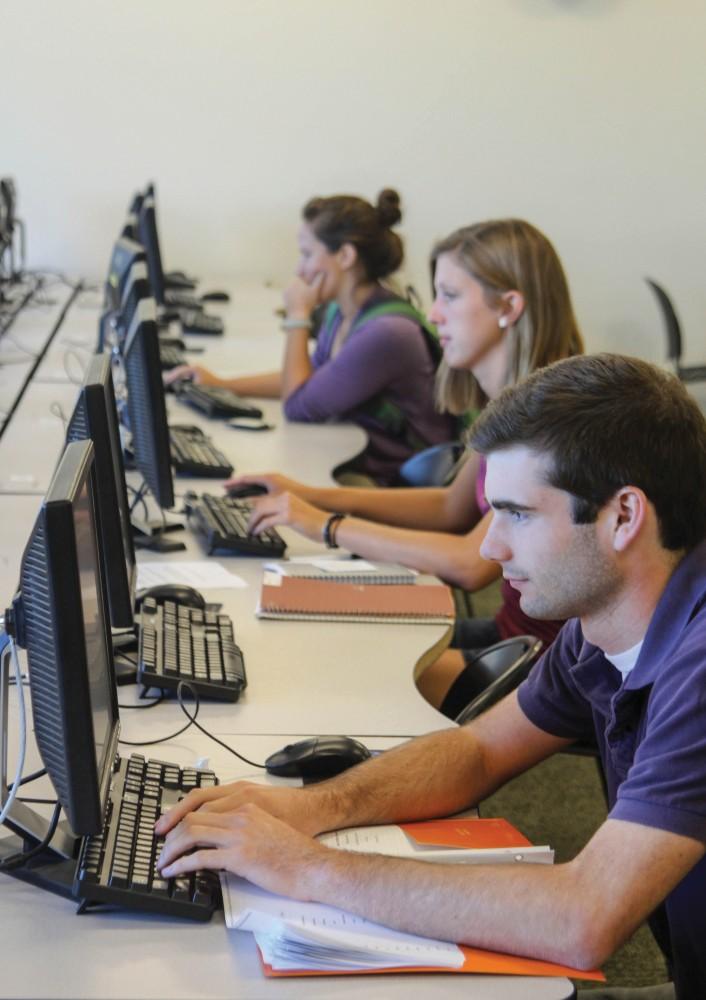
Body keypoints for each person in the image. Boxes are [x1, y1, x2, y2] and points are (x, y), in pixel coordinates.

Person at [156, 355, 706, 999]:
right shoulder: (602, 624)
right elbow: (477, 752)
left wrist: (304, 867)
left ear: (623, 516)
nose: (491, 547)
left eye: (518, 515)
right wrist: (311, 807)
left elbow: (581, 918)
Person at [228, 219, 584, 711]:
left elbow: (468, 562)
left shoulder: (548, 423)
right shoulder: (512, 404)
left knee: (331, 668)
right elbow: (448, 507)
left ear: (509, 307)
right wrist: (306, 496)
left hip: (547, 664)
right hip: (510, 631)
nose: (433, 314)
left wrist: (329, 526)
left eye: (450, 296)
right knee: (310, 618)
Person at [165, 189, 455, 486]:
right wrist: (222, 384)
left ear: (345, 256)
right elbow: (309, 377)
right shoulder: (341, 311)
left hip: (399, 484)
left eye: (307, 254)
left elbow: (297, 405)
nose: (298, 269)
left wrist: (298, 316)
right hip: (361, 457)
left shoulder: (386, 332)